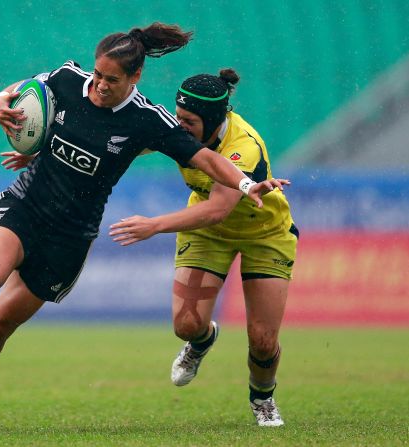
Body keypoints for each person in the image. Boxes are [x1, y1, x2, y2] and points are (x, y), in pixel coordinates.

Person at [0, 23, 288, 433]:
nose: (100, 86)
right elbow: (18, 93)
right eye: (98, 74)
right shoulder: (69, 79)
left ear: (135, 78)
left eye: (112, 80)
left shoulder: (148, 120)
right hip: (26, 206)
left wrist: (246, 183)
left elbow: (207, 160)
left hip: (70, 235)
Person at [109, 69, 298, 427]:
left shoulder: (243, 147)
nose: (179, 127)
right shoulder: (178, 128)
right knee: (185, 324)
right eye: (178, 117)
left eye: (189, 121)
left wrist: (154, 225)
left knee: (261, 339)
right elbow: (124, 143)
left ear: (212, 120)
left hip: (265, 234)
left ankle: (263, 398)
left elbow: (216, 210)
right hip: (208, 236)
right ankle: (201, 342)